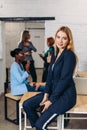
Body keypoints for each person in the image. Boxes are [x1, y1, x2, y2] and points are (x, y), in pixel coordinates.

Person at [23, 26, 77, 130]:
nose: (60, 41)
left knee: (40, 125)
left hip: (65, 96)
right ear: (55, 37)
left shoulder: (69, 56)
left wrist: (50, 100)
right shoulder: (54, 55)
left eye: (64, 38)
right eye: (58, 37)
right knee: (27, 105)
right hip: (53, 92)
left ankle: (40, 126)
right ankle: (40, 126)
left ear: (69, 40)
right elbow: (49, 77)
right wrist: (46, 95)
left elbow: (64, 80)